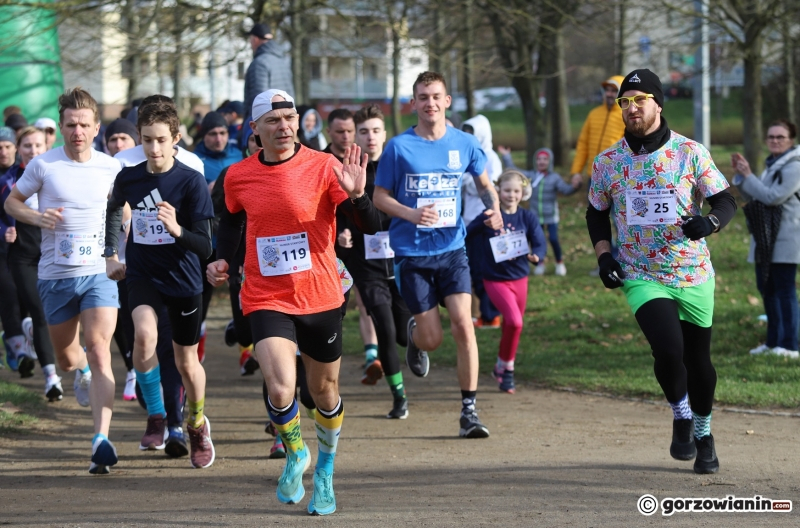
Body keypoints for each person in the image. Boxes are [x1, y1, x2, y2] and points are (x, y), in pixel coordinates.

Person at [207, 88, 382, 515]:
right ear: (255, 130)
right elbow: (230, 224)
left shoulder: (325, 167)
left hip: (320, 295)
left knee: (324, 391)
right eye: (274, 121)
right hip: (267, 295)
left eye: (290, 118)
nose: (284, 126)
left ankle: (324, 470)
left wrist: (358, 196)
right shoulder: (237, 176)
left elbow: (371, 226)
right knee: (282, 386)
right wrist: (220, 260)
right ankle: (295, 451)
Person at [585, 69, 737, 475]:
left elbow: (725, 200)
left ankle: (703, 432)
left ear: (658, 103)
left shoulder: (690, 152)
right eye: (625, 102)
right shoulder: (608, 162)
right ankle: (681, 412)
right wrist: (604, 256)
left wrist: (710, 224)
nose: (632, 108)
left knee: (698, 360)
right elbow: (596, 214)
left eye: (639, 99)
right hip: (641, 272)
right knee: (668, 348)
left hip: (692, 272)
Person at [374, 71, 504, 438]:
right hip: (412, 255)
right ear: (413, 103)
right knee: (433, 339)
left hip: (452, 250)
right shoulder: (399, 148)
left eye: (436, 96)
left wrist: (493, 207)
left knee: (464, 323)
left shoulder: (465, 144)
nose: (429, 103)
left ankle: (469, 411)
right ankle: (417, 337)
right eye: (422, 97)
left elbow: (485, 184)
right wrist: (412, 214)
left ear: (447, 101)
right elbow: (379, 196)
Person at [4, 87, 123, 474]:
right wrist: (37, 218)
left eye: (84, 125)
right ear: (62, 125)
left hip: (97, 275)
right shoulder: (44, 165)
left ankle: (100, 441)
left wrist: (123, 241)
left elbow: (124, 210)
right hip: (55, 276)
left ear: (96, 127)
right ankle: (81, 374)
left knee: (100, 347)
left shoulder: (111, 167)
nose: (77, 132)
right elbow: (11, 203)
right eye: (70, 125)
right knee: (69, 359)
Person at [105, 101, 215, 468]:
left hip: (183, 280)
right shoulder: (130, 176)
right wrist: (110, 254)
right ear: (140, 138)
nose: (154, 148)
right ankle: (156, 415)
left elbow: (205, 245)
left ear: (176, 140)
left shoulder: (190, 180)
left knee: (186, 361)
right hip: (142, 274)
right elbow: (112, 209)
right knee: (144, 336)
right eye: (148, 140)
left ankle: (197, 423)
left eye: (161, 140)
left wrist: (177, 229)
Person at [342, 103, 414, 416]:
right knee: (383, 328)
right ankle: (399, 396)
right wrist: (342, 233)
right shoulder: (348, 170)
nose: (370, 137)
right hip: (367, 266)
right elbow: (337, 211)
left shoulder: (400, 165)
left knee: (401, 333)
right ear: (354, 136)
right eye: (363, 132)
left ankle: (415, 340)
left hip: (400, 262)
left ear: (384, 134)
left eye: (375, 131)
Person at [466, 169, 546, 393]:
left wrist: (537, 255)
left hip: (520, 277)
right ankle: (507, 369)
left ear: (523, 193)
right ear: (498, 191)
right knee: (515, 322)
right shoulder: (489, 215)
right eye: (507, 190)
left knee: (513, 326)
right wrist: (484, 225)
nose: (511, 195)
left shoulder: (527, 217)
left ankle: (501, 366)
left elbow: (539, 241)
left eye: (516, 191)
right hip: (495, 279)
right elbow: (466, 233)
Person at [1, 127, 62, 398]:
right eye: (27, 146)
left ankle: (78, 360)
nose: (33, 151)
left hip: (56, 253)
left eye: (38, 145)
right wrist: (4, 231)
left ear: (46, 146)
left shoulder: (59, 175)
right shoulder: (8, 180)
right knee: (39, 313)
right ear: (19, 149)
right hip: (22, 256)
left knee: (55, 314)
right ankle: (51, 377)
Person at [732, 120, 800, 359]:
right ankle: (773, 343)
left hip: (785, 240)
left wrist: (750, 175)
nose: (774, 141)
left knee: (783, 290)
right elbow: (756, 195)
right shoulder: (772, 165)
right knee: (767, 289)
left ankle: (790, 345)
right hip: (765, 239)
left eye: (780, 137)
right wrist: (743, 176)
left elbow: (772, 197)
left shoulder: (795, 166)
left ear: (791, 140)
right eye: (771, 137)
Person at [325, 108, 379, 369]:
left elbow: (367, 205)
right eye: (340, 131)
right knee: (335, 304)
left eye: (349, 131)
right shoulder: (320, 161)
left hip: (362, 238)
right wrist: (338, 235)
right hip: (330, 244)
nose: (346, 136)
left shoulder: (363, 161)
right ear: (329, 132)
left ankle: (371, 353)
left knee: (365, 294)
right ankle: (325, 352)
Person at [498, 146, 582, 276]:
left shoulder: (554, 178)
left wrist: (575, 187)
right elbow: (515, 171)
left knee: (553, 239)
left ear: (550, 161)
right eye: (539, 159)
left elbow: (566, 190)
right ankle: (540, 263)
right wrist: (506, 156)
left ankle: (559, 262)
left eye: (545, 159)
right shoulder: (531, 176)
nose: (542, 162)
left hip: (551, 217)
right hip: (536, 216)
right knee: (537, 241)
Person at [461, 115, 503, 328]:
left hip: (485, 220)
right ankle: (481, 313)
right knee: (472, 269)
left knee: (485, 268)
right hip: (468, 221)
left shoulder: (491, 157)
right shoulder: (465, 155)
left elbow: (487, 184)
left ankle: (491, 314)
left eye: (472, 133)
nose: (469, 136)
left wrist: (467, 178)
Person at [0, 126, 32, 373]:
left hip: (31, 248)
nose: (3, 151)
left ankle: (22, 344)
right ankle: (20, 351)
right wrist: (4, 232)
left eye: (7, 146)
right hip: (3, 250)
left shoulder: (25, 174)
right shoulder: (4, 181)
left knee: (26, 300)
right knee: (9, 297)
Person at [243, 22, 294, 127]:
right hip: (285, 122)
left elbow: (258, 101)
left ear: (255, 40)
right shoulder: (282, 62)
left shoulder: (259, 63)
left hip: (268, 125)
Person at [194, 111, 243, 185]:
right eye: (213, 134)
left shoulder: (239, 156)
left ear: (228, 134)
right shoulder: (193, 161)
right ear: (204, 136)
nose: (218, 139)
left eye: (222, 133)